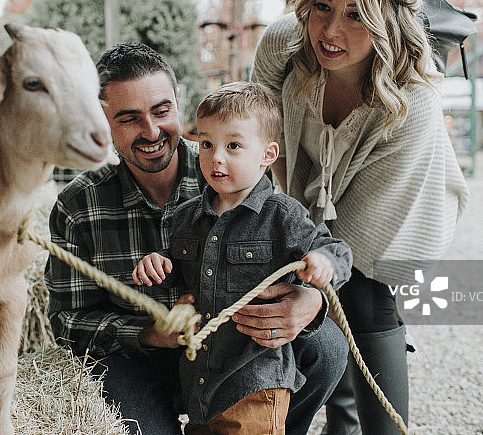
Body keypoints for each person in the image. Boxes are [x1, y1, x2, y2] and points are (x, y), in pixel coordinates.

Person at [45, 43, 350, 435]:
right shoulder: (78, 205)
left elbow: (305, 246)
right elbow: (68, 321)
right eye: (129, 119)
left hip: (233, 347)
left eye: (161, 111)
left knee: (327, 345)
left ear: (177, 104)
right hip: (144, 359)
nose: (152, 131)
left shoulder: (233, 164)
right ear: (103, 121)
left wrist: (312, 298)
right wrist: (150, 334)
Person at [251, 0, 469, 434]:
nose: (329, 30)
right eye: (323, 6)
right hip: (305, 187)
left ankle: (374, 426)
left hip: (395, 209)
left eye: (356, 15)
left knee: (366, 296)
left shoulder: (412, 102)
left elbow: (354, 240)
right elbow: (259, 138)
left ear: (388, 20)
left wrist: (314, 289)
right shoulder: (285, 43)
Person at [132, 82, 352, 434]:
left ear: (267, 155)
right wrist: (158, 263)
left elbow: (336, 249)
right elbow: (179, 271)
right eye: (207, 144)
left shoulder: (282, 215)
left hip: (256, 379)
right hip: (201, 382)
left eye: (233, 146)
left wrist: (323, 262)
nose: (216, 156)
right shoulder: (186, 217)